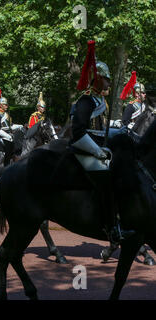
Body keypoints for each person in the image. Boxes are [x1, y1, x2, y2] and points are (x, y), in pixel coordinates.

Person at [70, 40, 134, 245]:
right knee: (106, 181)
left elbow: (99, 129)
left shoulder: (99, 101)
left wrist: (120, 131)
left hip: (97, 146)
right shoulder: (85, 101)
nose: (108, 83)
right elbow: (78, 132)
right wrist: (97, 151)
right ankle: (110, 227)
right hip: (85, 149)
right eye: (105, 79)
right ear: (95, 80)